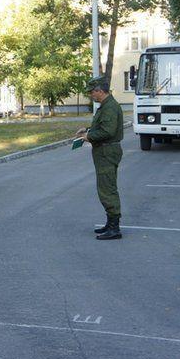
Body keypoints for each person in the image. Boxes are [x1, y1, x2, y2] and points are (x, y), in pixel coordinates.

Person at [76, 76, 124, 240]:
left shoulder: (109, 107)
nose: (91, 95)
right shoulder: (106, 106)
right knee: (105, 187)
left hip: (106, 152)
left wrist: (88, 137)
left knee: (107, 189)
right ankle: (110, 223)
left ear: (99, 91)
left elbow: (107, 132)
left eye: (92, 92)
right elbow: (103, 126)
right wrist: (88, 129)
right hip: (105, 151)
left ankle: (114, 228)